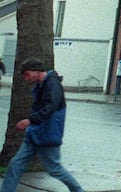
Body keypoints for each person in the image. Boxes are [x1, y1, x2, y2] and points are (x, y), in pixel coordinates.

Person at [0, 58, 83, 192]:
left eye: (27, 74)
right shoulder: (42, 85)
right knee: (15, 165)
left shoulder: (53, 84)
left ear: (36, 71)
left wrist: (30, 121)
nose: (26, 78)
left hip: (48, 135)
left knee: (55, 169)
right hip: (35, 134)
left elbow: (50, 107)